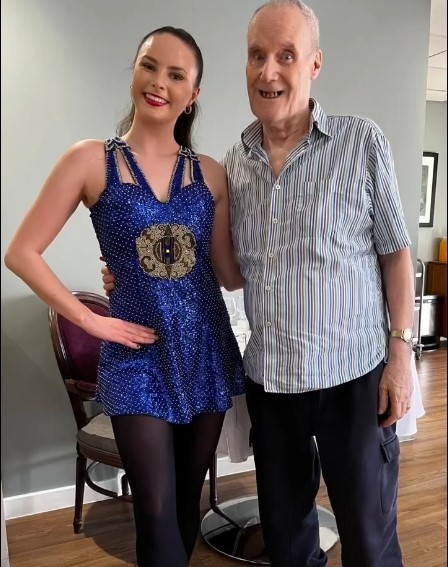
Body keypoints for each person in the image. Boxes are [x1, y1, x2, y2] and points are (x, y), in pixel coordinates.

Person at [103, 3, 415, 566]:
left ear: (314, 64)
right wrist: (137, 273)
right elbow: (221, 265)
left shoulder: (361, 142)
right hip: (273, 385)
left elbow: (395, 253)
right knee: (287, 548)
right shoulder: (232, 167)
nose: (269, 71)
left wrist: (401, 354)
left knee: (369, 545)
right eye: (257, 56)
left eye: (286, 56)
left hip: (354, 378)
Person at [4, 26, 246, 567]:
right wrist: (93, 321)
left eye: (176, 75)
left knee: (185, 502)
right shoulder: (90, 160)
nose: (159, 82)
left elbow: (229, 274)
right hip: (136, 358)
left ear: (193, 94)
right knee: (154, 509)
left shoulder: (212, 173)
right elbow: (21, 252)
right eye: (149, 65)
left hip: (205, 351)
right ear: (135, 70)